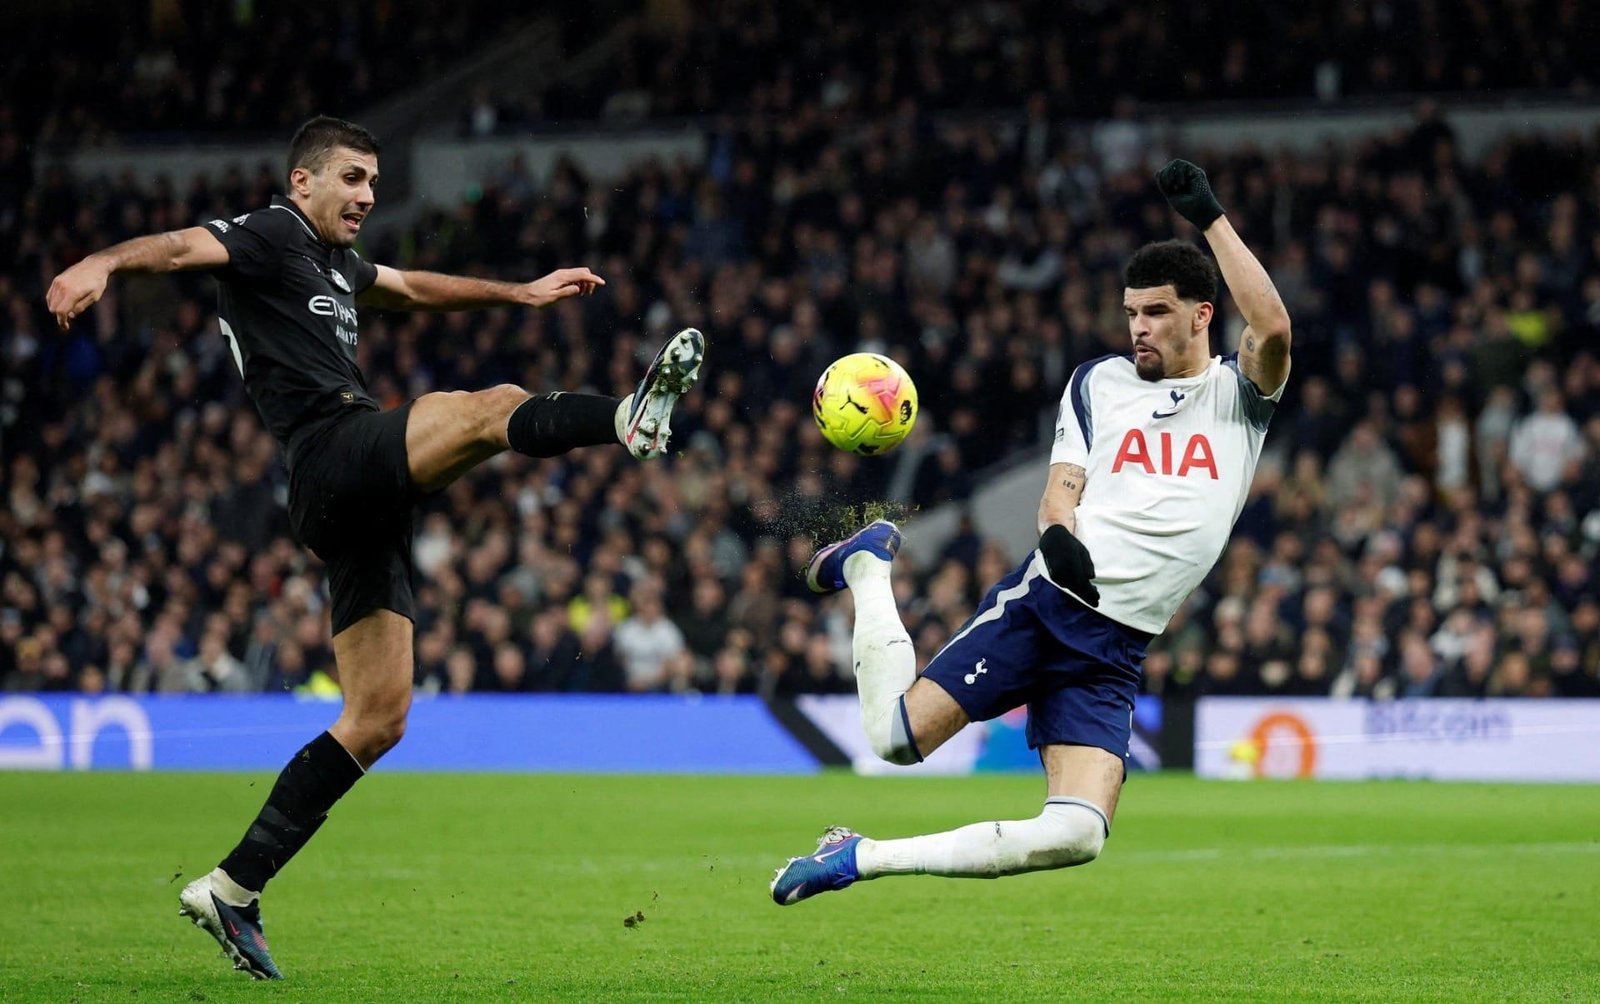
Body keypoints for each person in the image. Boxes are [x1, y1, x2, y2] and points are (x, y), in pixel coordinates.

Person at [45, 116, 706, 977]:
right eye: (351, 178)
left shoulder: (333, 264)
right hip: (327, 455)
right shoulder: (271, 234)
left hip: (356, 500)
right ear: (302, 183)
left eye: (373, 184)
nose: (364, 196)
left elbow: (410, 287)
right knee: (485, 405)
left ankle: (233, 888)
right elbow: (174, 250)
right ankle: (626, 416)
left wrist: (518, 293)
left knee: (379, 717)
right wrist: (99, 262)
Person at [771, 160, 1290, 905]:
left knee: (1077, 835)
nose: (1138, 327)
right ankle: (868, 568)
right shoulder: (1098, 383)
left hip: (1118, 645)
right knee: (894, 739)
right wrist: (1057, 537)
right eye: (1130, 312)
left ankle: (860, 856)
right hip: (1049, 607)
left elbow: (1272, 326)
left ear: (1203, 315)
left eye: (1156, 312)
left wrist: (1210, 216)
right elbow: (1060, 493)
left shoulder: (1239, 398)